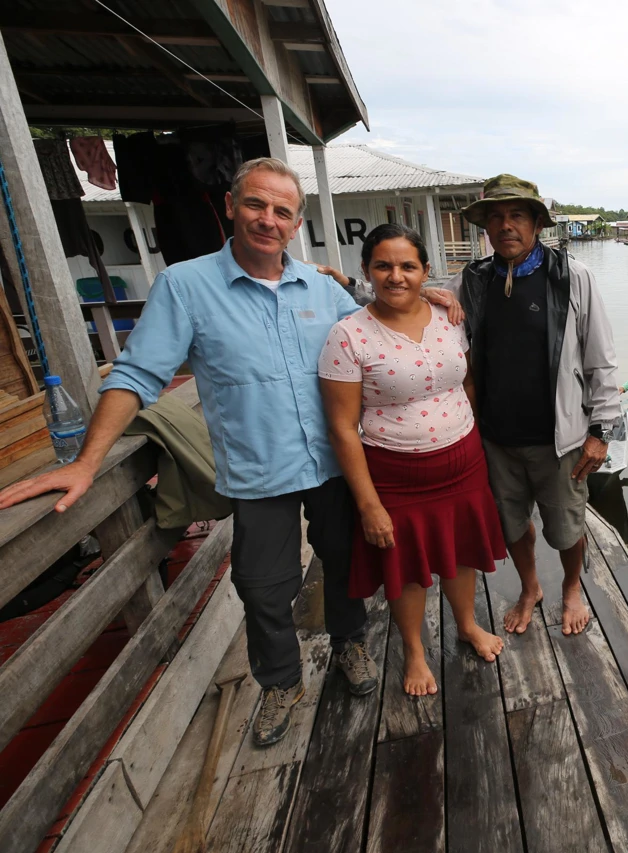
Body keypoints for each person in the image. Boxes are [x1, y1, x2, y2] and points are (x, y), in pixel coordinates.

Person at [0, 157, 461, 747]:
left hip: (334, 464)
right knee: (262, 585)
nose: (267, 220)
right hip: (258, 468)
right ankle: (280, 682)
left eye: (282, 211)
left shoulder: (322, 288)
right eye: (255, 205)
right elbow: (137, 375)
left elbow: (381, 329)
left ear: (296, 224)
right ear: (230, 206)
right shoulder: (186, 287)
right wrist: (86, 463)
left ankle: (349, 645)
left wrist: (432, 296)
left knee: (346, 561)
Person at [318, 224, 507, 696]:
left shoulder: (448, 316)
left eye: (408, 266)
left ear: (425, 271)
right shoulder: (348, 336)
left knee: (462, 554)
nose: (396, 276)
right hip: (396, 474)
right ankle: (415, 653)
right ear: (366, 272)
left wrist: (477, 440)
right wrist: (368, 506)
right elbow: (342, 427)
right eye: (383, 265)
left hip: (463, 461)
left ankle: (466, 624)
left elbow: (466, 384)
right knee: (406, 567)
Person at [448, 174, 620, 637]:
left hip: (559, 439)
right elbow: (411, 304)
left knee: (566, 527)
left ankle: (569, 588)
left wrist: (601, 432)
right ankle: (529, 588)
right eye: (496, 217)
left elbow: (601, 361)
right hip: (495, 438)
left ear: (537, 223)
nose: (505, 226)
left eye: (517, 215)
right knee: (512, 524)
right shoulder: (473, 280)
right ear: (485, 227)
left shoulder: (571, 277)